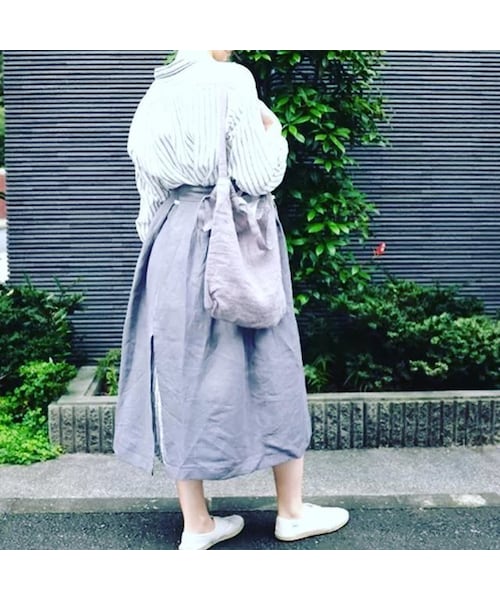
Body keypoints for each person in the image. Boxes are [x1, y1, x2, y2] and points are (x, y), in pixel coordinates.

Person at [113, 49, 349, 550]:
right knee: (272, 361)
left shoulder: (154, 93)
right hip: (234, 238)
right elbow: (259, 176)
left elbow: (148, 194)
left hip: (170, 239)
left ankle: (196, 524)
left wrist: (165, 250)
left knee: (178, 372)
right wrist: (275, 130)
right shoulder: (232, 79)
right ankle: (291, 512)